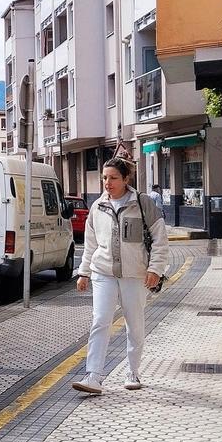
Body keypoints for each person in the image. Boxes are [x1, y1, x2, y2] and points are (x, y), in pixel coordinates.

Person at [72, 157, 168, 395]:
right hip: (103, 272)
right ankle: (93, 376)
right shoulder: (97, 207)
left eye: (113, 177)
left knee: (134, 324)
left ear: (126, 179)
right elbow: (90, 244)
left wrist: (155, 269)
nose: (107, 182)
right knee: (100, 321)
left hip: (135, 275)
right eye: (105, 177)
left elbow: (160, 240)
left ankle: (132, 371)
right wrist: (84, 272)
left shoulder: (143, 204)